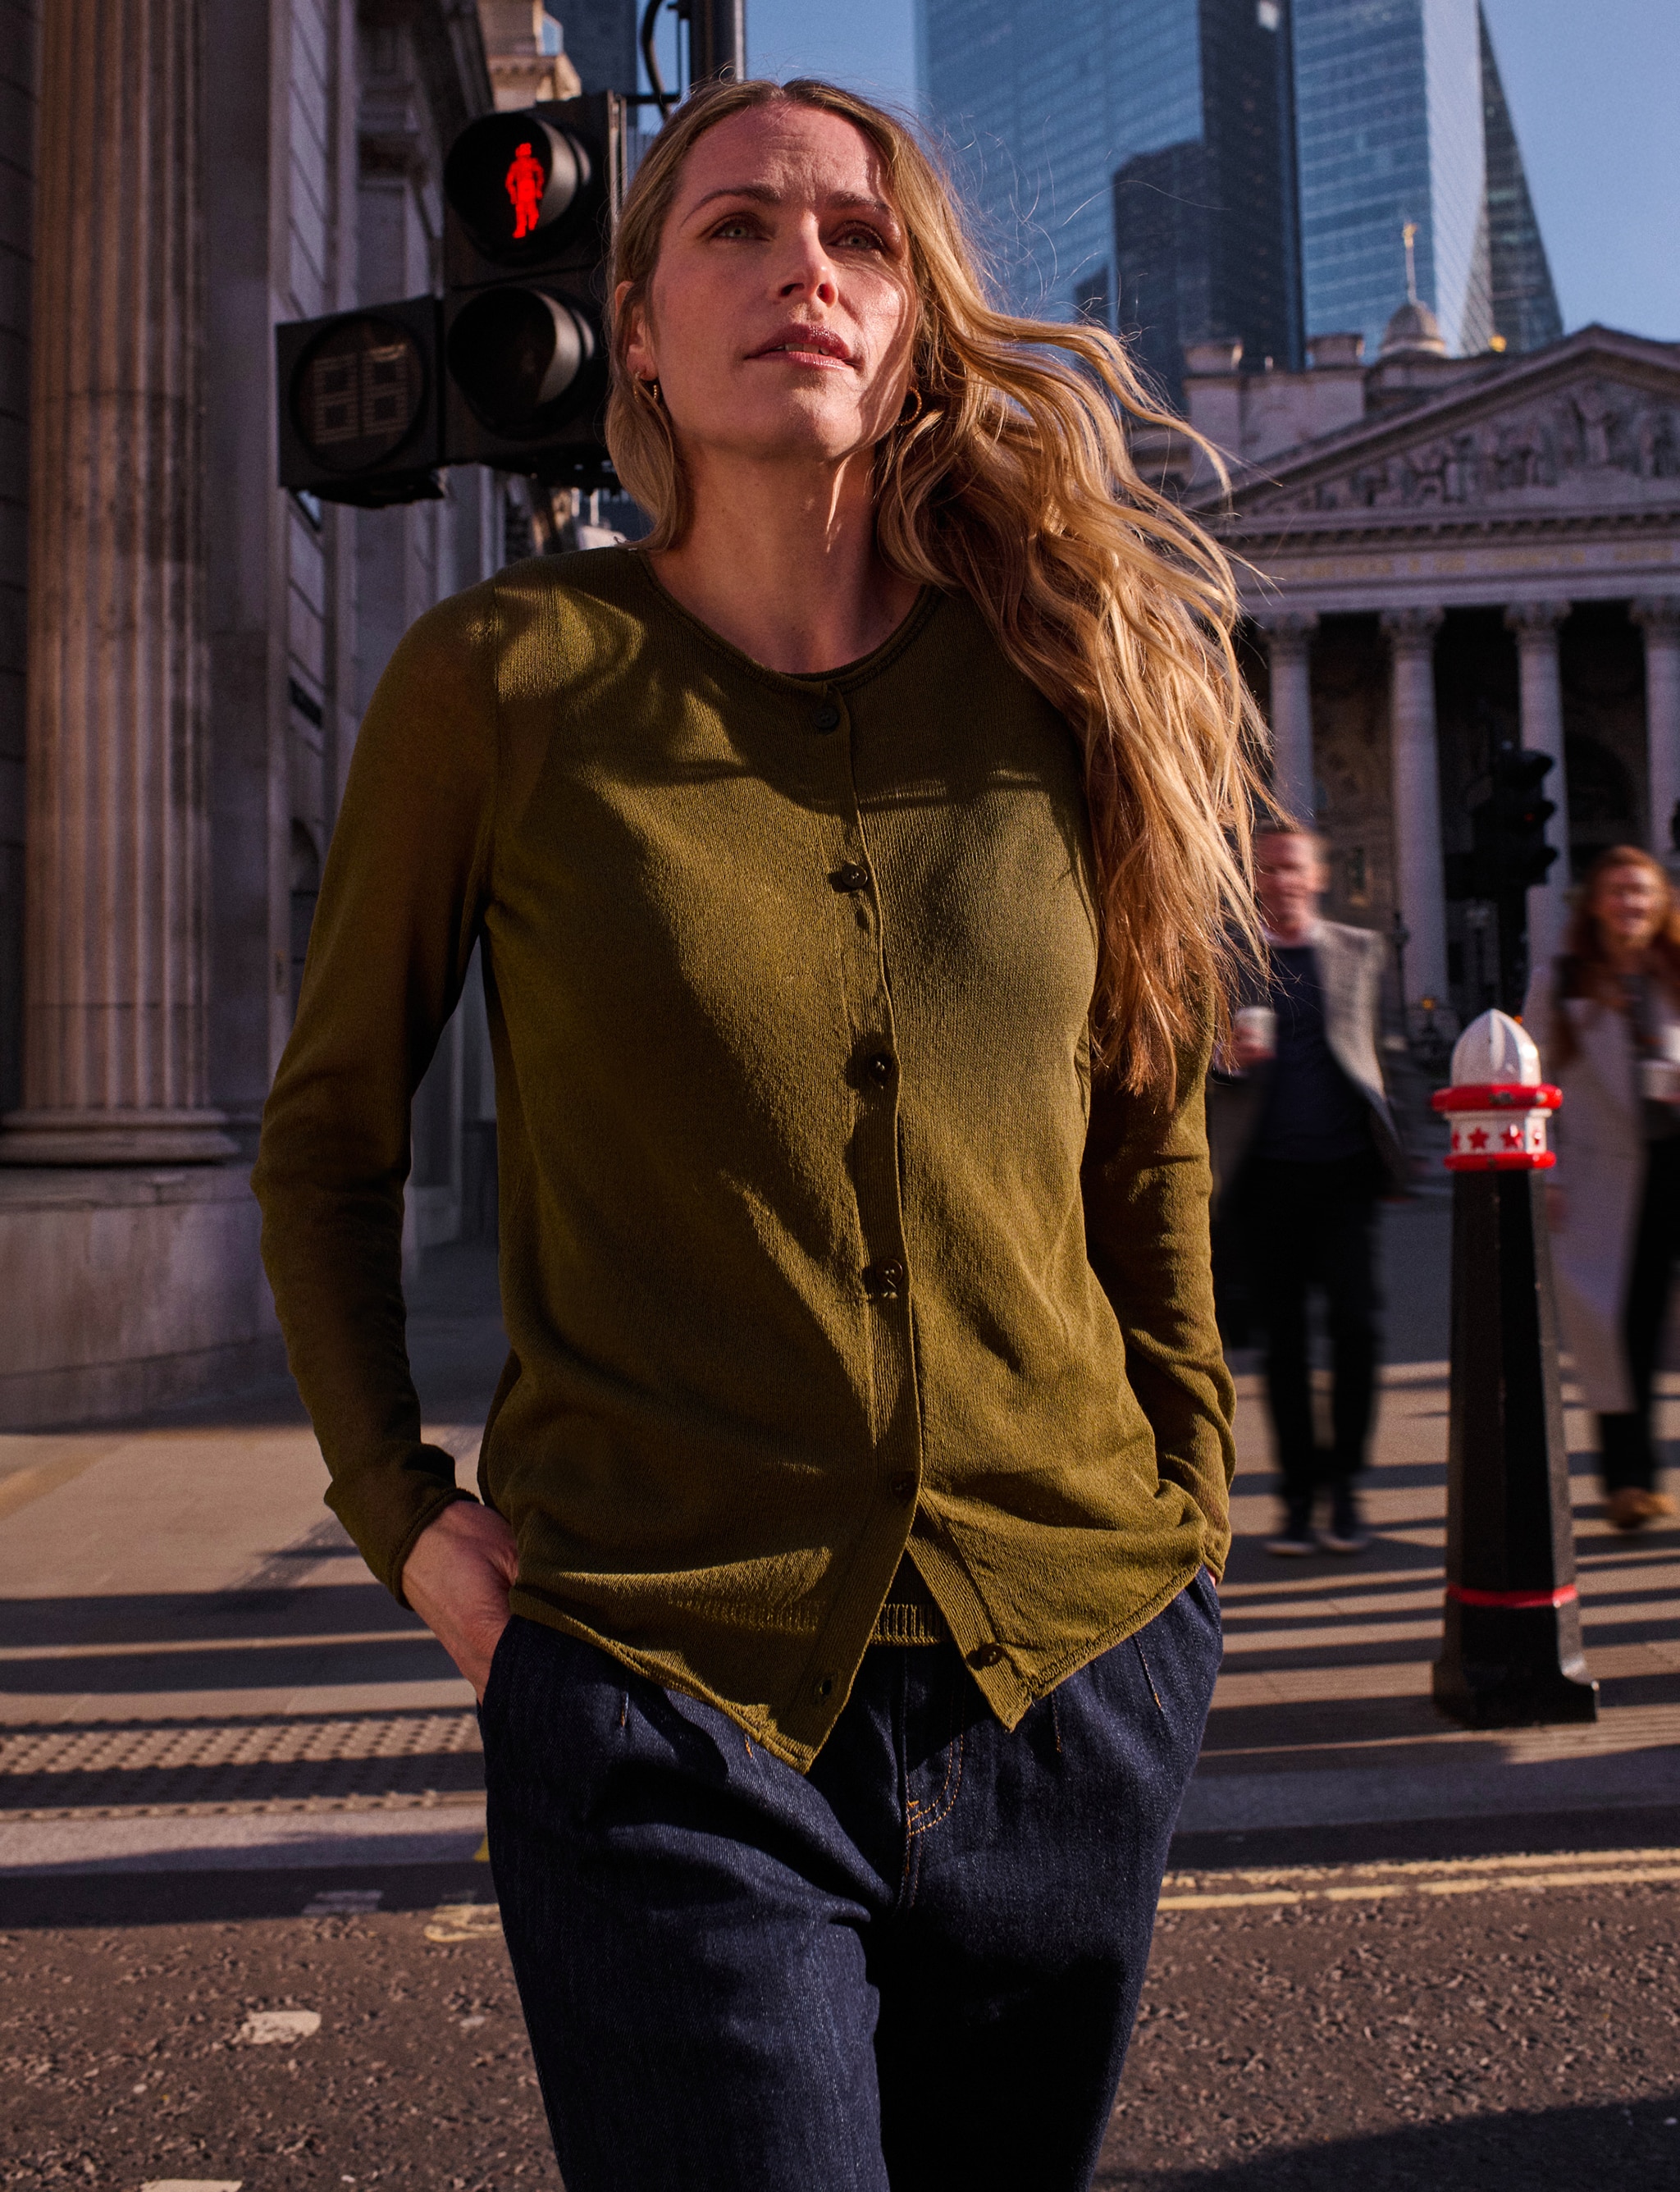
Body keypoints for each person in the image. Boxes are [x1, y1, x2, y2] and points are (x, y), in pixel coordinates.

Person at [253, 77, 1262, 2192]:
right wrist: (398, 1515)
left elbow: (1143, 1121)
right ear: (631, 328)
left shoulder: (1059, 677)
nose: (803, 266)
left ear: (908, 317)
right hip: (655, 1682)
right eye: (734, 227)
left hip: (1065, 1669)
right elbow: (329, 1134)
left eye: (858, 237)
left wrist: (1188, 1496)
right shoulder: (505, 677)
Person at [1208, 828, 1406, 1557]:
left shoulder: (1358, 950)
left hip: (1345, 1170)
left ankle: (1346, 1489)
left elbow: (1379, 1055)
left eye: (1293, 868)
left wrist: (1393, 1148)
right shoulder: (1231, 956)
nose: (1282, 881)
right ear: (1254, 880)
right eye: (1268, 870)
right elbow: (1201, 1056)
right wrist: (1226, 1060)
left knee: (1358, 1328)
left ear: (1318, 874)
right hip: (1264, 1178)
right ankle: (1296, 1502)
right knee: (1284, 1344)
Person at [1524, 844, 1680, 1532]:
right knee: (1618, 1329)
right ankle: (1628, 1481)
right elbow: (1534, 1086)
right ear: (1594, 903)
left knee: (1652, 1323)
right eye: (1618, 891)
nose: (1631, 904)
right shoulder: (1561, 981)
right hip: (1603, 1175)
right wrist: (1546, 1169)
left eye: (1642, 891)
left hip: (1675, 1165)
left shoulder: (1675, 972)